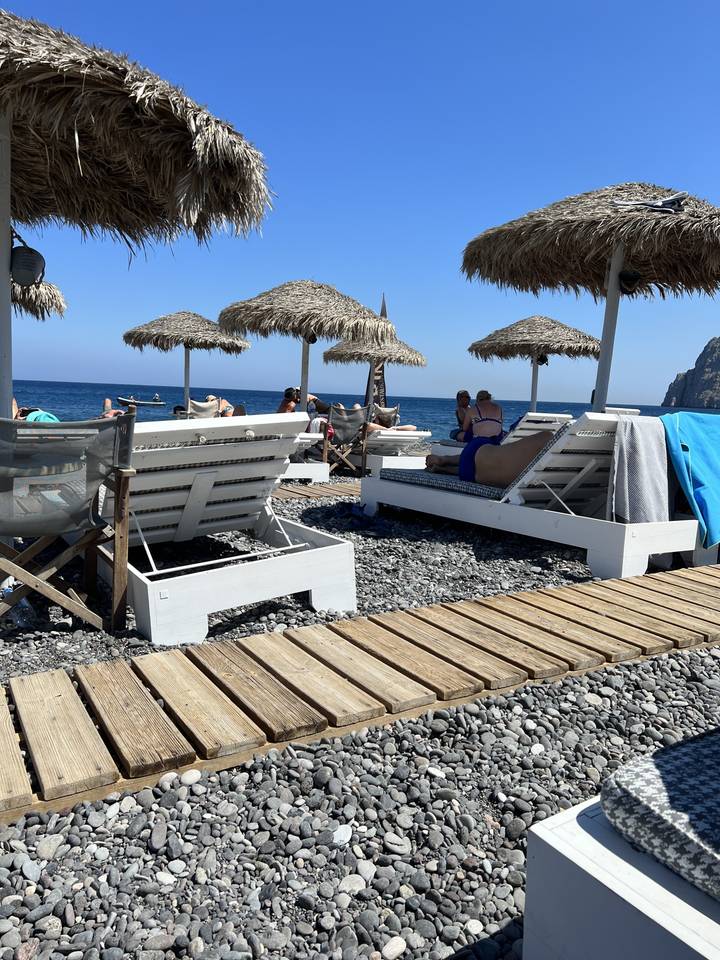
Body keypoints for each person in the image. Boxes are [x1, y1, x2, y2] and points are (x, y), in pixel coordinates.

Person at [426, 429, 550, 487]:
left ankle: (444, 461)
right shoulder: (550, 482)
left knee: (479, 461)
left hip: (477, 453)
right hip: (473, 474)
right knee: (478, 466)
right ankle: (443, 465)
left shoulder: (546, 439)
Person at [350, 403, 417, 432]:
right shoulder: (388, 428)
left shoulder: (388, 427)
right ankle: (383, 410)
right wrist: (389, 429)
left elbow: (414, 427)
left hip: (361, 428)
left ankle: (381, 410)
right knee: (357, 405)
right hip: (384, 429)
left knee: (356, 406)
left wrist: (394, 428)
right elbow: (414, 427)